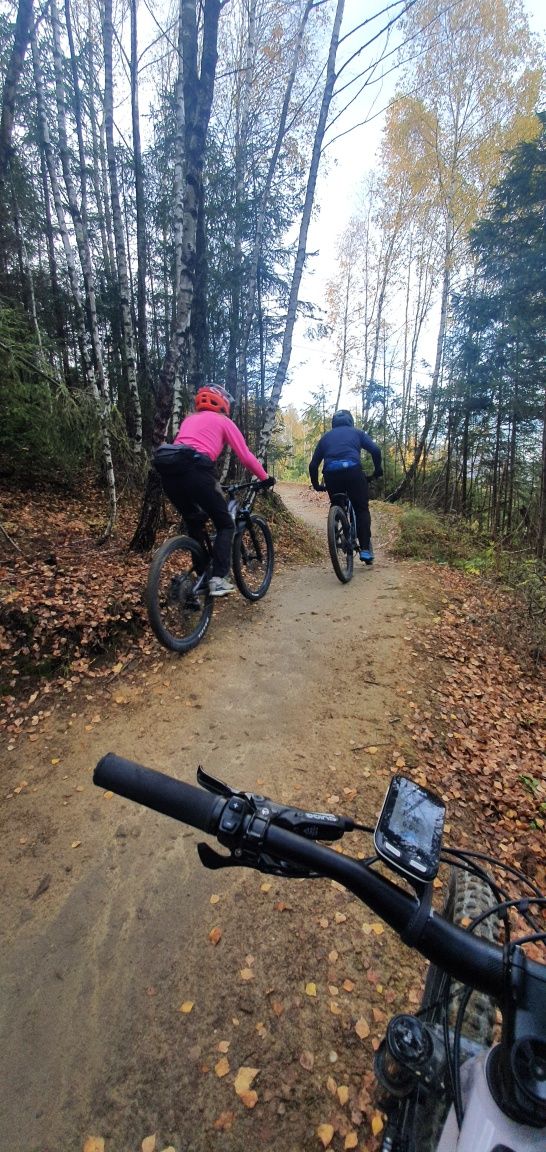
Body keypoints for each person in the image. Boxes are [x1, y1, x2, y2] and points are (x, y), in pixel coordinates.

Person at [154, 384, 274, 596]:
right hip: (198, 473)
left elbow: (182, 450)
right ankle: (218, 579)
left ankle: (199, 581)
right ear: (223, 403)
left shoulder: (189, 420)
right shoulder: (223, 421)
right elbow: (245, 456)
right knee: (225, 524)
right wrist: (265, 478)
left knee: (196, 522)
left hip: (170, 476)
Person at [308, 410, 382, 564]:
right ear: (350, 421)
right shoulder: (357, 433)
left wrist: (316, 485)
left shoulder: (326, 438)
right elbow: (375, 450)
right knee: (361, 509)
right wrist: (377, 470)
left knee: (336, 503)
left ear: (333, 423)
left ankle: (336, 531)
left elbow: (313, 465)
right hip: (354, 472)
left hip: (331, 475)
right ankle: (366, 550)